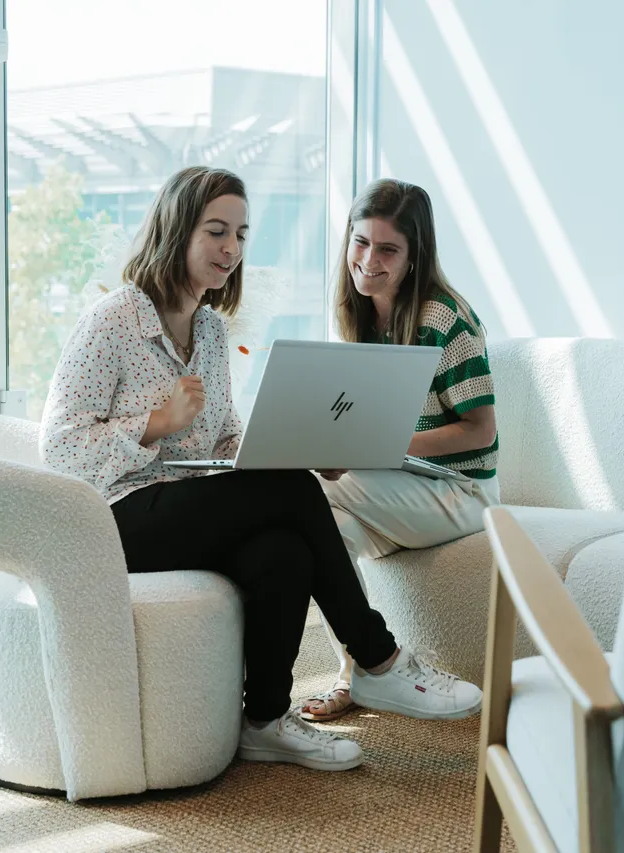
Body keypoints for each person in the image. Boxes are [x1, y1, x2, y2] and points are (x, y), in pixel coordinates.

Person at [39, 166, 482, 772]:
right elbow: (59, 449)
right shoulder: (115, 320)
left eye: (241, 235)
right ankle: (377, 658)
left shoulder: (210, 331)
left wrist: (280, 446)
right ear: (176, 231)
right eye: (216, 232)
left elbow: (224, 435)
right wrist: (153, 425)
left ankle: (266, 720)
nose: (231, 249)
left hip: (188, 505)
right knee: (291, 493)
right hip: (115, 517)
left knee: (283, 551)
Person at [300, 178, 501, 722]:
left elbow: (480, 431)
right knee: (320, 534)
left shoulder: (445, 320)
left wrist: (373, 445)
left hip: (460, 492)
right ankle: (359, 673)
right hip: (401, 487)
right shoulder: (360, 315)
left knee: (308, 493)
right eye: (360, 242)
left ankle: (370, 672)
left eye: (388, 249)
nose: (368, 260)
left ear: (415, 256)